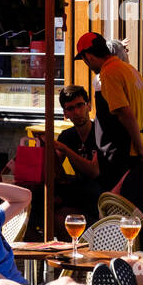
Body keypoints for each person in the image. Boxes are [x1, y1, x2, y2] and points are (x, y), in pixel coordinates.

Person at [75, 31, 143, 168]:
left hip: (121, 154)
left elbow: (124, 112)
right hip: (134, 151)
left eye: (84, 60)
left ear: (87, 56)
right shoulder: (132, 71)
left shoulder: (109, 73)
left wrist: (141, 149)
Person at [54, 84, 103, 219]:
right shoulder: (66, 136)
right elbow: (55, 170)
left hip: (101, 193)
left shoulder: (100, 133)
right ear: (65, 114)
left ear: (89, 106)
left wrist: (65, 149)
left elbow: (94, 171)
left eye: (80, 105)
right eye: (70, 108)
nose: (76, 112)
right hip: (80, 192)